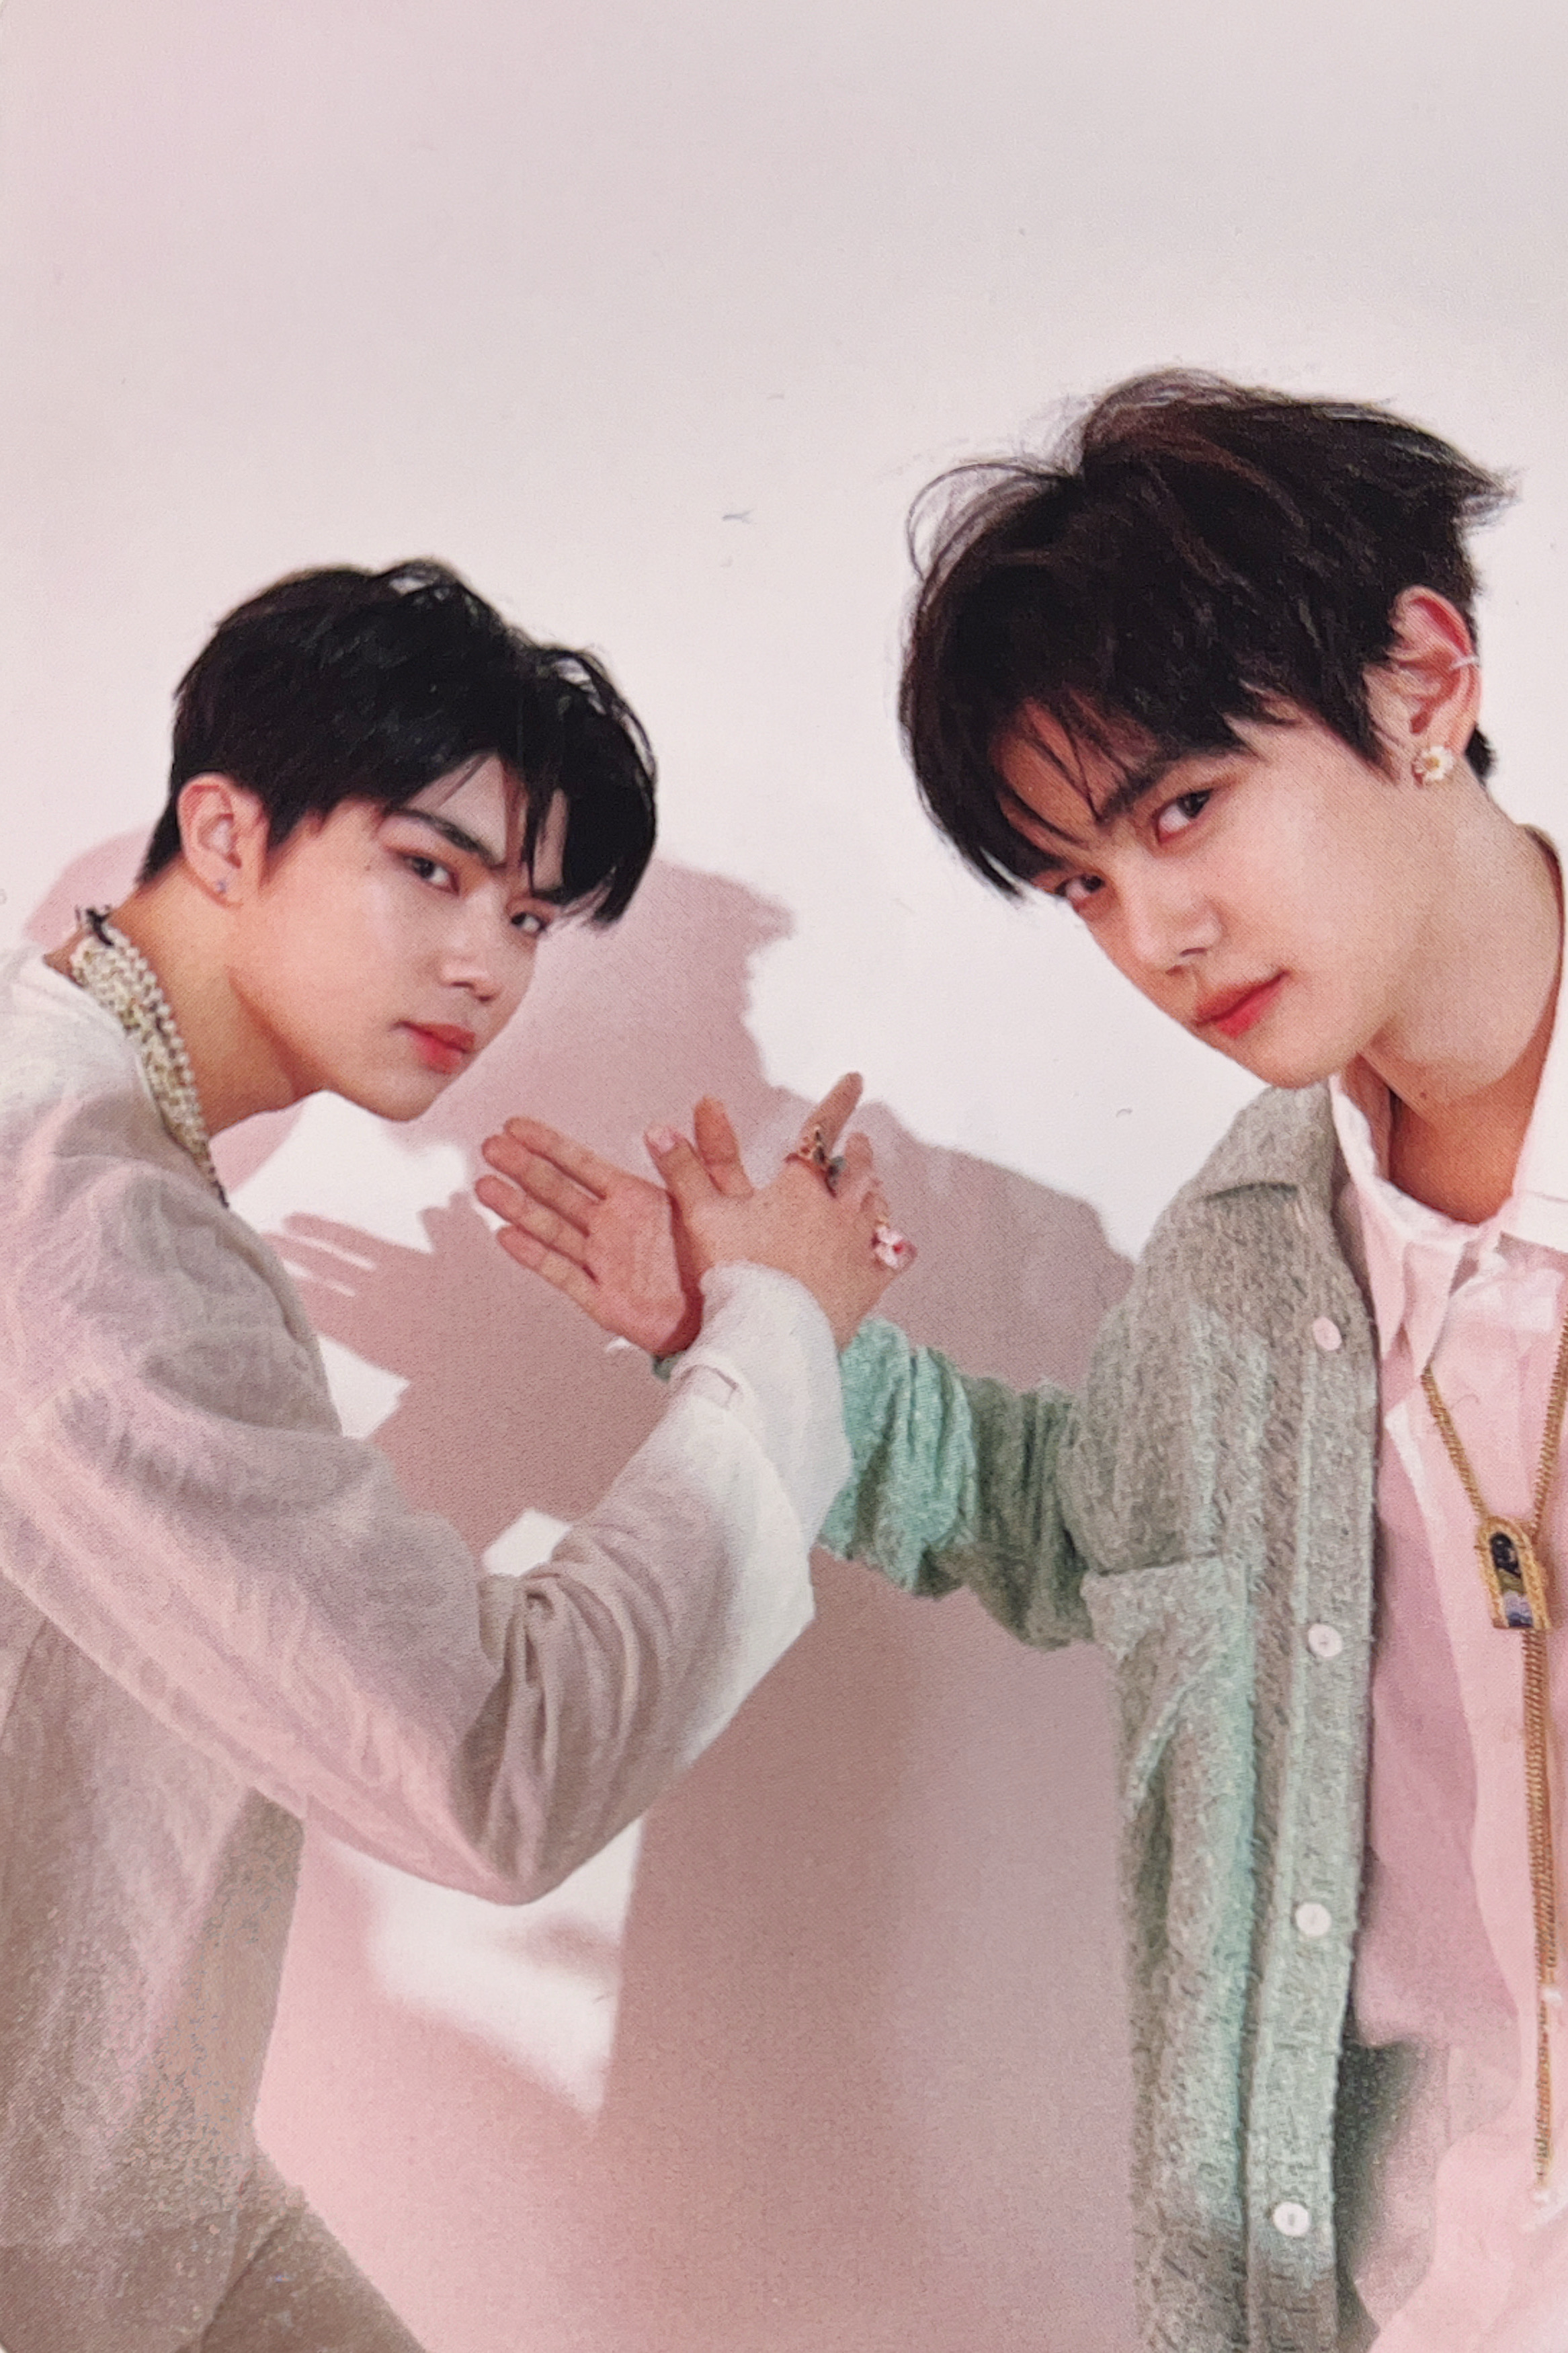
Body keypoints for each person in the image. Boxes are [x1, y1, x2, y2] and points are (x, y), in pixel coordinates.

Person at [479, 374, 1568, 2351]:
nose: (1155, 933)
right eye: (1080, 881)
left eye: (1183, 807)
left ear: (1422, 679)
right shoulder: (1254, 1260)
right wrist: (764, 1340)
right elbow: (1075, 1522)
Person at [0, 557, 907, 2353]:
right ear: (227, 832)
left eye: (534, 915)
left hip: (127, 2186)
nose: (489, 965)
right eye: (431, 868)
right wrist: (773, 1330)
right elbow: (493, 1759)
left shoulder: (93, 1154)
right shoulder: (87, 1214)